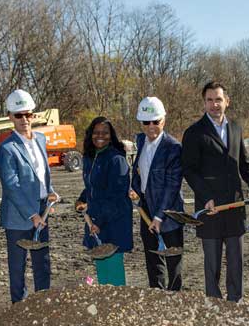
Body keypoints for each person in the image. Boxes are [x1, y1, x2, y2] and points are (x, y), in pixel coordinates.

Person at [182, 81, 249, 303]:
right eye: (209, 100)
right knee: (212, 263)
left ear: (226, 102)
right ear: (204, 103)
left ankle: (235, 302)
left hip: (234, 207)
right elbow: (189, 171)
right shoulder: (194, 132)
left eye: (218, 99)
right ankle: (214, 303)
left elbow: (244, 166)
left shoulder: (236, 129)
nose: (214, 104)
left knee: (236, 261)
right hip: (210, 208)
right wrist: (206, 197)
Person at [0, 89, 59, 304]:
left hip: (42, 209)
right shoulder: (7, 148)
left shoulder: (40, 139)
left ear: (33, 115)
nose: (24, 120)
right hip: (19, 215)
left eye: (28, 114)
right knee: (18, 265)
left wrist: (50, 191)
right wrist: (32, 214)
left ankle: (43, 303)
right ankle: (19, 309)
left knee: (42, 261)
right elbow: (11, 186)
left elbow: (42, 173)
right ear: (10, 118)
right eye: (19, 115)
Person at [130, 97, 185, 290]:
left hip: (168, 212)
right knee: (153, 259)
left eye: (156, 121)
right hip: (146, 207)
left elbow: (172, 186)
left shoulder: (173, 148)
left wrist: (159, 216)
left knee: (173, 260)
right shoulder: (141, 142)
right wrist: (134, 189)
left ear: (164, 120)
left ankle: (175, 300)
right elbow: (138, 173)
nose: (151, 126)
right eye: (146, 122)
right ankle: (157, 297)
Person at [76, 117, 132, 285]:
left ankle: (119, 307)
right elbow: (92, 186)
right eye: (96, 132)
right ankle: (107, 307)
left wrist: (98, 221)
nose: (100, 136)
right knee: (102, 268)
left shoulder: (116, 159)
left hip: (113, 221)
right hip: (96, 220)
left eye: (105, 133)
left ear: (111, 135)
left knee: (113, 270)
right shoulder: (90, 157)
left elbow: (117, 196)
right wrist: (82, 199)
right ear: (90, 134)